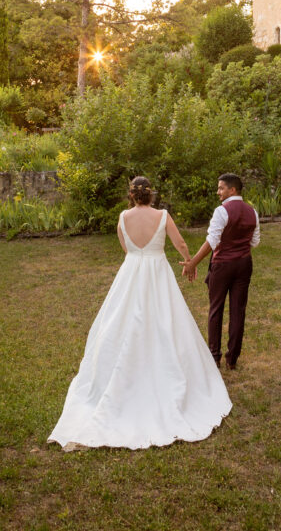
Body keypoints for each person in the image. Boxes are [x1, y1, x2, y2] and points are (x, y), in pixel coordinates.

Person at [47, 176, 232, 450]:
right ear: (151, 195)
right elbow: (179, 243)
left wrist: (138, 253)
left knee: (120, 321)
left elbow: (125, 247)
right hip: (157, 272)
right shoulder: (163, 215)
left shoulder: (122, 217)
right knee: (166, 322)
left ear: (131, 195)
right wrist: (189, 262)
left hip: (131, 272)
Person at [181, 173, 259, 370]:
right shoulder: (253, 211)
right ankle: (232, 359)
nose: (218, 192)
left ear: (232, 189)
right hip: (244, 264)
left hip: (223, 265)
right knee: (238, 311)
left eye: (221, 188)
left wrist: (193, 263)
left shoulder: (222, 211)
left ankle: (214, 357)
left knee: (215, 309)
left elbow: (212, 242)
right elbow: (255, 242)